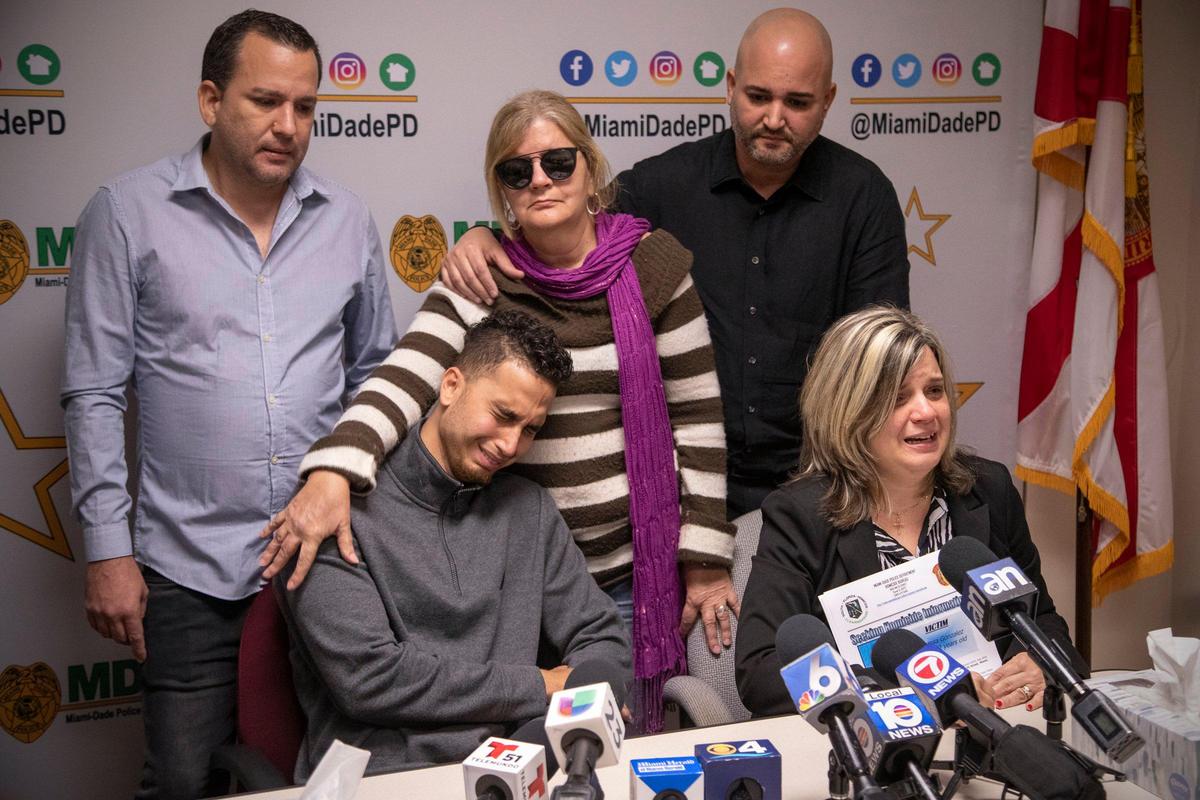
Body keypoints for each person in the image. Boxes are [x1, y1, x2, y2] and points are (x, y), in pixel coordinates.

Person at [261, 89, 735, 732]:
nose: (540, 180)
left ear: (591, 168)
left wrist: (704, 564)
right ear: (502, 191)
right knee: (512, 729)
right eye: (518, 171)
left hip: (628, 576)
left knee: (616, 740)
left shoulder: (655, 268)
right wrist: (332, 472)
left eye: (559, 163)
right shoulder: (484, 277)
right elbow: (403, 379)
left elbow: (698, 419)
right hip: (514, 577)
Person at [60, 10, 396, 798]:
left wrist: (343, 481)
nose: (288, 126)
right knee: (185, 778)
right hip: (187, 569)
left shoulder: (347, 220)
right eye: (265, 101)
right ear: (212, 100)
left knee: (334, 774)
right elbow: (94, 392)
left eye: (306, 107)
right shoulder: (126, 213)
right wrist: (109, 550)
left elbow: (377, 373)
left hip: (328, 558)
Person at [439, 8, 909, 517]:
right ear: (730, 87)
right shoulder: (662, 185)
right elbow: (564, 222)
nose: (774, 119)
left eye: (797, 102)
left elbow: (879, 361)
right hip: (684, 486)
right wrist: (491, 236)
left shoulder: (864, 197)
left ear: (829, 101)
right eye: (757, 96)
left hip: (821, 485)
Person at [278, 311, 629, 777]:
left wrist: (587, 693)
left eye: (530, 429)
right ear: (450, 386)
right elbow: (369, 680)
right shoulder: (334, 511)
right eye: (503, 416)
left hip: (519, 763)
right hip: (387, 776)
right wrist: (541, 686)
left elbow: (600, 634)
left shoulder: (529, 509)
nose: (510, 444)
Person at [734, 307, 1087, 716]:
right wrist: (915, 685)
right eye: (899, 398)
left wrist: (1044, 660)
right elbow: (762, 673)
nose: (926, 412)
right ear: (849, 412)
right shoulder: (800, 515)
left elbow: (1041, 617)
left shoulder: (988, 490)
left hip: (997, 730)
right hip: (884, 746)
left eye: (934, 391)